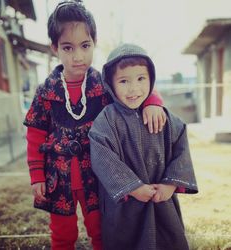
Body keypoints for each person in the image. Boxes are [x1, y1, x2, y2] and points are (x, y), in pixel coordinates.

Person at [23, 2, 166, 250]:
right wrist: (37, 176)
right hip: (58, 177)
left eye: (85, 46)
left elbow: (131, 91)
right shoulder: (46, 91)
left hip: (97, 176)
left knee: (101, 231)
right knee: (62, 235)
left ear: (94, 42)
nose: (78, 56)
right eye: (68, 48)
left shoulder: (104, 85)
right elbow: (35, 134)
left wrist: (153, 101)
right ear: (55, 48)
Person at [89, 43, 198, 250]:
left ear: (151, 79)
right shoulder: (107, 120)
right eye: (123, 81)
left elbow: (181, 143)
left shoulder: (162, 116)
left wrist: (170, 185)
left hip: (161, 200)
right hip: (125, 205)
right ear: (110, 84)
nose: (134, 89)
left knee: (167, 239)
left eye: (141, 79)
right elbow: (102, 156)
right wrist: (133, 187)